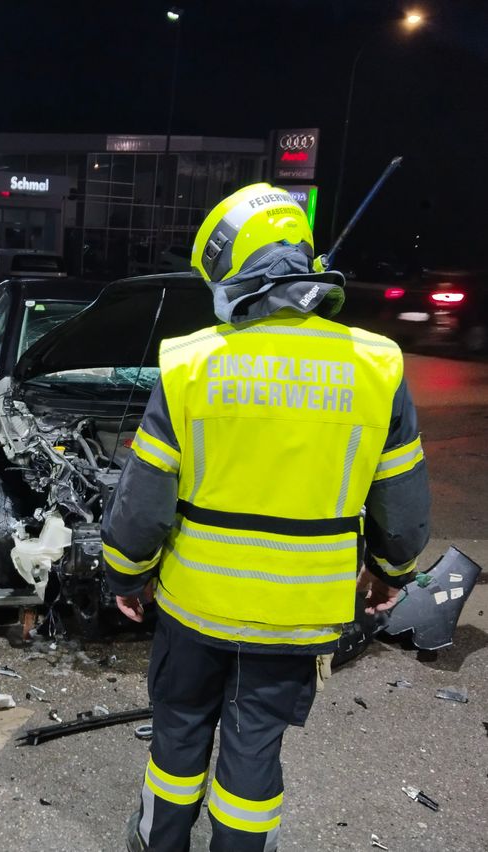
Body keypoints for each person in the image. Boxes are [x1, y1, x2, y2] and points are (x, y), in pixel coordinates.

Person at [102, 182, 430, 852]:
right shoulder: (376, 366)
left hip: (196, 607)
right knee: (253, 750)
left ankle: (159, 842)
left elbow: (143, 500)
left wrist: (125, 574)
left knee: (178, 736)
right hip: (297, 614)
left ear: (235, 271)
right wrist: (393, 571)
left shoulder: (190, 364)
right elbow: (400, 501)